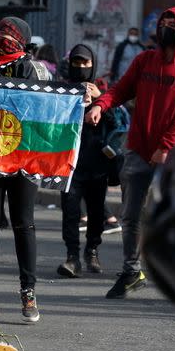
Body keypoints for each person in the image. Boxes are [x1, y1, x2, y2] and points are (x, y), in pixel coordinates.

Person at [86, 7, 175, 299]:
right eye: (163, 22)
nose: (166, 27)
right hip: (139, 150)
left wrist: (166, 146)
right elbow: (121, 89)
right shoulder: (145, 61)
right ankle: (131, 271)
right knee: (130, 215)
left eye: (173, 23)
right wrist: (100, 105)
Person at [0, 17, 51, 323]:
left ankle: (28, 293)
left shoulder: (38, 70)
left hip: (25, 159)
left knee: (24, 223)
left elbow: (51, 108)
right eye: (0, 33)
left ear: (24, 41)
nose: (3, 39)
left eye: (11, 35)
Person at [58, 44, 117, 278]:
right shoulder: (62, 90)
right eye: (77, 63)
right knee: (70, 212)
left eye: (86, 64)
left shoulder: (102, 91)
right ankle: (72, 257)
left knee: (95, 212)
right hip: (69, 164)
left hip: (97, 165)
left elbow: (115, 123)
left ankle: (92, 250)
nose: (81, 68)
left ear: (93, 65)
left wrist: (99, 100)